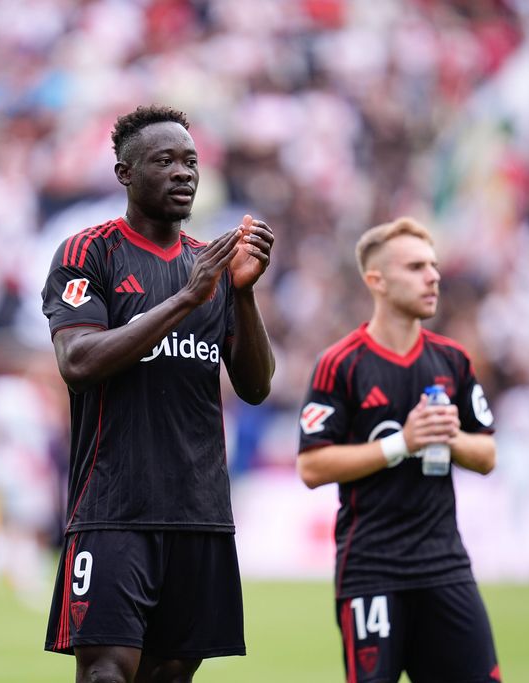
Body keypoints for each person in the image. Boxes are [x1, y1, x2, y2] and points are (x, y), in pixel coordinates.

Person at [41, 104, 275, 683]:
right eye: (164, 160)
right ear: (125, 172)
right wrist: (186, 300)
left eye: (190, 161)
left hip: (199, 512)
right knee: (105, 674)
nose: (183, 172)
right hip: (113, 509)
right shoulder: (89, 253)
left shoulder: (210, 266)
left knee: (169, 676)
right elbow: (78, 361)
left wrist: (242, 295)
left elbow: (256, 386)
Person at [296, 217, 501, 683]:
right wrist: (401, 443)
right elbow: (311, 465)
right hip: (371, 568)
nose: (433, 277)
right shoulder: (340, 364)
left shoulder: (452, 360)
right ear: (378, 281)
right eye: (415, 267)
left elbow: (487, 455)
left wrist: (449, 438)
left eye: (433, 265)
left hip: (445, 564)